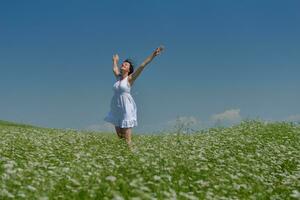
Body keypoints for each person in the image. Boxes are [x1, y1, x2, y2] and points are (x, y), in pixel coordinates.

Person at [104, 46, 164, 148]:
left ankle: (135, 156)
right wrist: (115, 61)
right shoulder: (118, 78)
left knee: (127, 141)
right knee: (120, 140)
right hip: (116, 109)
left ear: (129, 69)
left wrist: (153, 55)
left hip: (126, 109)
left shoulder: (130, 79)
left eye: (125, 64)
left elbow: (142, 65)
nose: (123, 64)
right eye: (122, 63)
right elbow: (115, 69)